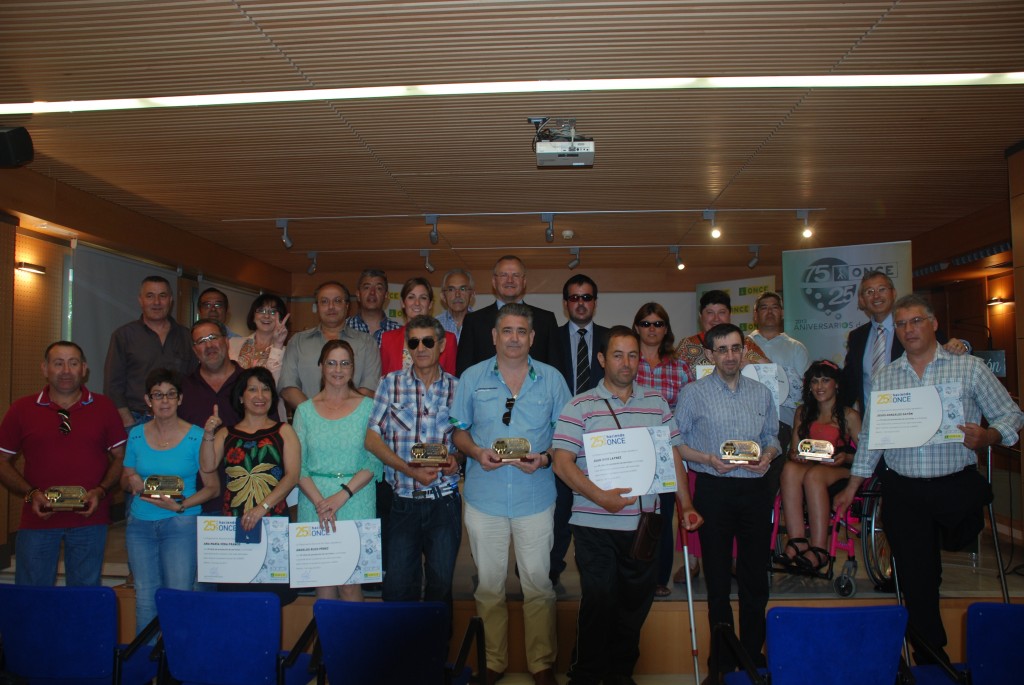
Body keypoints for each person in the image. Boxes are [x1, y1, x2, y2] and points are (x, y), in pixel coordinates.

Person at [833, 294, 1024, 664]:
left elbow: (1011, 415)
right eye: (901, 324)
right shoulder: (887, 375)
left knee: (960, 539)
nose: (908, 330)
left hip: (955, 484)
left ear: (933, 323)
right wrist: (853, 485)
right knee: (918, 578)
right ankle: (930, 657)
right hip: (904, 488)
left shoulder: (968, 368)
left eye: (916, 321)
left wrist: (988, 437)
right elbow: (873, 436)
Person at [552, 326, 702, 685]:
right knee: (600, 600)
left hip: (644, 526)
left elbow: (673, 456)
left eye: (633, 355)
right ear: (602, 359)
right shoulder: (579, 406)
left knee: (634, 604)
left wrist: (687, 506)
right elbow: (561, 461)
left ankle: (620, 674)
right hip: (594, 525)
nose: (626, 362)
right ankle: (585, 675)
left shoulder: (657, 404)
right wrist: (599, 496)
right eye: (618, 355)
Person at [451, 303, 570, 685]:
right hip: (484, 496)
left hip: (535, 495)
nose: (514, 338)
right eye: (507, 331)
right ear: (494, 336)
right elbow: (458, 431)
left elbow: (567, 436)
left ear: (532, 338)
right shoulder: (471, 377)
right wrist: (473, 452)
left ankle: (541, 664)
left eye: (521, 331)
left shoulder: (552, 379)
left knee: (538, 583)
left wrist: (547, 457)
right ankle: (493, 662)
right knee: (488, 585)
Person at [675, 323, 780, 680]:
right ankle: (720, 665)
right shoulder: (693, 394)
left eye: (736, 348)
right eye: (722, 349)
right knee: (718, 582)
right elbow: (677, 445)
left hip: (754, 491)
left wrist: (767, 454)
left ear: (745, 351)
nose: (731, 356)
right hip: (713, 490)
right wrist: (706, 460)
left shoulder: (762, 393)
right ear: (709, 354)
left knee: (755, 581)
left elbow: (772, 437)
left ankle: (752, 659)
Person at [0, 341, 126, 586]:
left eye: (73, 363)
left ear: (84, 369)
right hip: (38, 521)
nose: (66, 370)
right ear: (45, 369)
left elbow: (121, 457)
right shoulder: (21, 409)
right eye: (58, 363)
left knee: (83, 600)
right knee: (32, 600)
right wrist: (31, 494)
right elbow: (2, 461)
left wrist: (100, 492)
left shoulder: (104, 407)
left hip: (90, 521)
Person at [366, 315, 461, 616]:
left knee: (440, 589)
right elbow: (372, 439)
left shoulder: (458, 389)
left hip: (444, 503)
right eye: (414, 342)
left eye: (428, 341)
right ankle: (399, 660)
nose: (421, 348)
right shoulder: (389, 383)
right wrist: (410, 471)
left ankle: (437, 658)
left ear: (442, 345)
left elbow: (465, 441)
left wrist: (456, 460)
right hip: (402, 504)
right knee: (397, 590)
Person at [121, 368, 219, 633]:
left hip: (181, 524)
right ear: (148, 400)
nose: (164, 401)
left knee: (179, 596)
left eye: (170, 395)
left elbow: (212, 488)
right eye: (158, 395)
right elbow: (126, 476)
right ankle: (148, 667)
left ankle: (176, 667)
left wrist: (181, 505)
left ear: (180, 399)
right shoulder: (136, 435)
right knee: (144, 599)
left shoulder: (197, 436)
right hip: (140, 525)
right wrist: (130, 479)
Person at [294, 340, 382, 602]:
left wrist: (341, 496)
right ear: (321, 367)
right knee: (323, 581)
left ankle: (354, 643)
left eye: (345, 363)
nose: (338, 369)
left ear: (353, 368)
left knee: (351, 584)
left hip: (356, 499)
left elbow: (374, 461)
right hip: (314, 502)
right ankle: (327, 643)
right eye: (331, 362)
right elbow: (298, 465)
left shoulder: (369, 407)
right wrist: (322, 502)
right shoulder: (304, 411)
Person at [551, 274, 610, 587]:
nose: (581, 303)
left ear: (595, 303)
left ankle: (596, 572)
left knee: (597, 508)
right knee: (561, 509)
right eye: (574, 297)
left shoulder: (610, 338)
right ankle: (552, 570)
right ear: (565, 304)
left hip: (603, 440)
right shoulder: (550, 339)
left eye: (586, 297)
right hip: (563, 438)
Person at [776, 360, 860, 572]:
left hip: (840, 468)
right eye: (814, 381)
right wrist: (797, 456)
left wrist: (845, 458)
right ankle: (797, 540)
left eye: (825, 380)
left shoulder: (849, 415)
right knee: (789, 469)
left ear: (836, 384)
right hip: (811, 465)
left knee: (814, 476)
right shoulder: (803, 413)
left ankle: (819, 548)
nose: (820, 386)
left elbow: (864, 454)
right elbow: (794, 451)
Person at [842, 270, 969, 411]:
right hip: (872, 421)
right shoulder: (856, 337)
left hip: (912, 415)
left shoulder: (916, 327)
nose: (876, 296)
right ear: (862, 300)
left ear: (894, 293)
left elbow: (948, 349)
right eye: (869, 291)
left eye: (882, 289)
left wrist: (963, 345)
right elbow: (850, 383)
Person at [632, 303, 692, 596]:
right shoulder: (628, 363)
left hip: (668, 449)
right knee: (632, 513)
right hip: (634, 448)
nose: (651, 329)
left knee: (663, 515)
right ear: (637, 328)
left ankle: (658, 577)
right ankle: (633, 575)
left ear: (666, 329)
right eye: (646, 323)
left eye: (657, 323)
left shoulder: (680, 366)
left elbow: (689, 409)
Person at [104, 275, 197, 429]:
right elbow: (112, 384)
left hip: (178, 419)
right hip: (136, 419)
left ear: (171, 300)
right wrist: (126, 419)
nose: (156, 302)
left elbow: (194, 381)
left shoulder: (186, 336)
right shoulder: (124, 336)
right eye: (150, 296)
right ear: (140, 300)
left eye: (162, 296)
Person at [279, 281, 381, 411]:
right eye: (324, 301)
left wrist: (342, 417)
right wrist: (314, 416)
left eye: (337, 301)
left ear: (347, 306)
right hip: (308, 424)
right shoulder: (297, 342)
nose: (331, 307)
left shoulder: (367, 343)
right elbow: (288, 387)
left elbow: (369, 388)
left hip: (353, 425)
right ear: (317, 307)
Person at [455, 255, 562, 376]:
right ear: (494, 282)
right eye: (503, 275)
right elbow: (463, 373)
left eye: (516, 275)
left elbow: (556, 371)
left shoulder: (546, 320)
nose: (510, 280)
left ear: (524, 282)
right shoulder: (473, 321)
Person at [748, 291, 809, 452]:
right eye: (764, 308)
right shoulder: (742, 345)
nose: (769, 312)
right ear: (755, 315)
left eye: (774, 307)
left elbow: (804, 391)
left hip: (784, 422)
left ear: (782, 313)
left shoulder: (796, 348)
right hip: (747, 421)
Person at [675, 290, 768, 382]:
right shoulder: (687, 345)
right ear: (700, 316)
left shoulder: (745, 345)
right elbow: (673, 378)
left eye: (722, 312)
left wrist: (751, 366)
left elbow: (771, 371)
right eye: (710, 313)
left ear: (730, 314)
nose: (716, 319)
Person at [228, 293, 290, 420]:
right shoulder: (233, 343)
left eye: (273, 312)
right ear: (253, 316)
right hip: (234, 413)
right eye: (261, 310)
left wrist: (278, 345)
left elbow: (275, 386)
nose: (266, 315)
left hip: (271, 416)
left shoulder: (287, 352)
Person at [380, 277, 457, 375]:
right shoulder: (388, 339)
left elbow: (451, 382)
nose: (417, 303)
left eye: (423, 298)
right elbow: (384, 379)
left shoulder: (448, 339)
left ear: (430, 304)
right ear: (403, 303)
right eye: (411, 297)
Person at [346, 268, 401, 346]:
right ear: (358, 294)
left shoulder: (399, 332)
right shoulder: (343, 329)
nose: (372, 292)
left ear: (386, 295)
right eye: (367, 287)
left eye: (379, 288)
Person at [438, 268, 475, 342]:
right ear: (443, 296)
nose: (457, 294)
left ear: (472, 295)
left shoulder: (482, 324)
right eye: (451, 289)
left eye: (463, 289)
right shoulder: (435, 324)